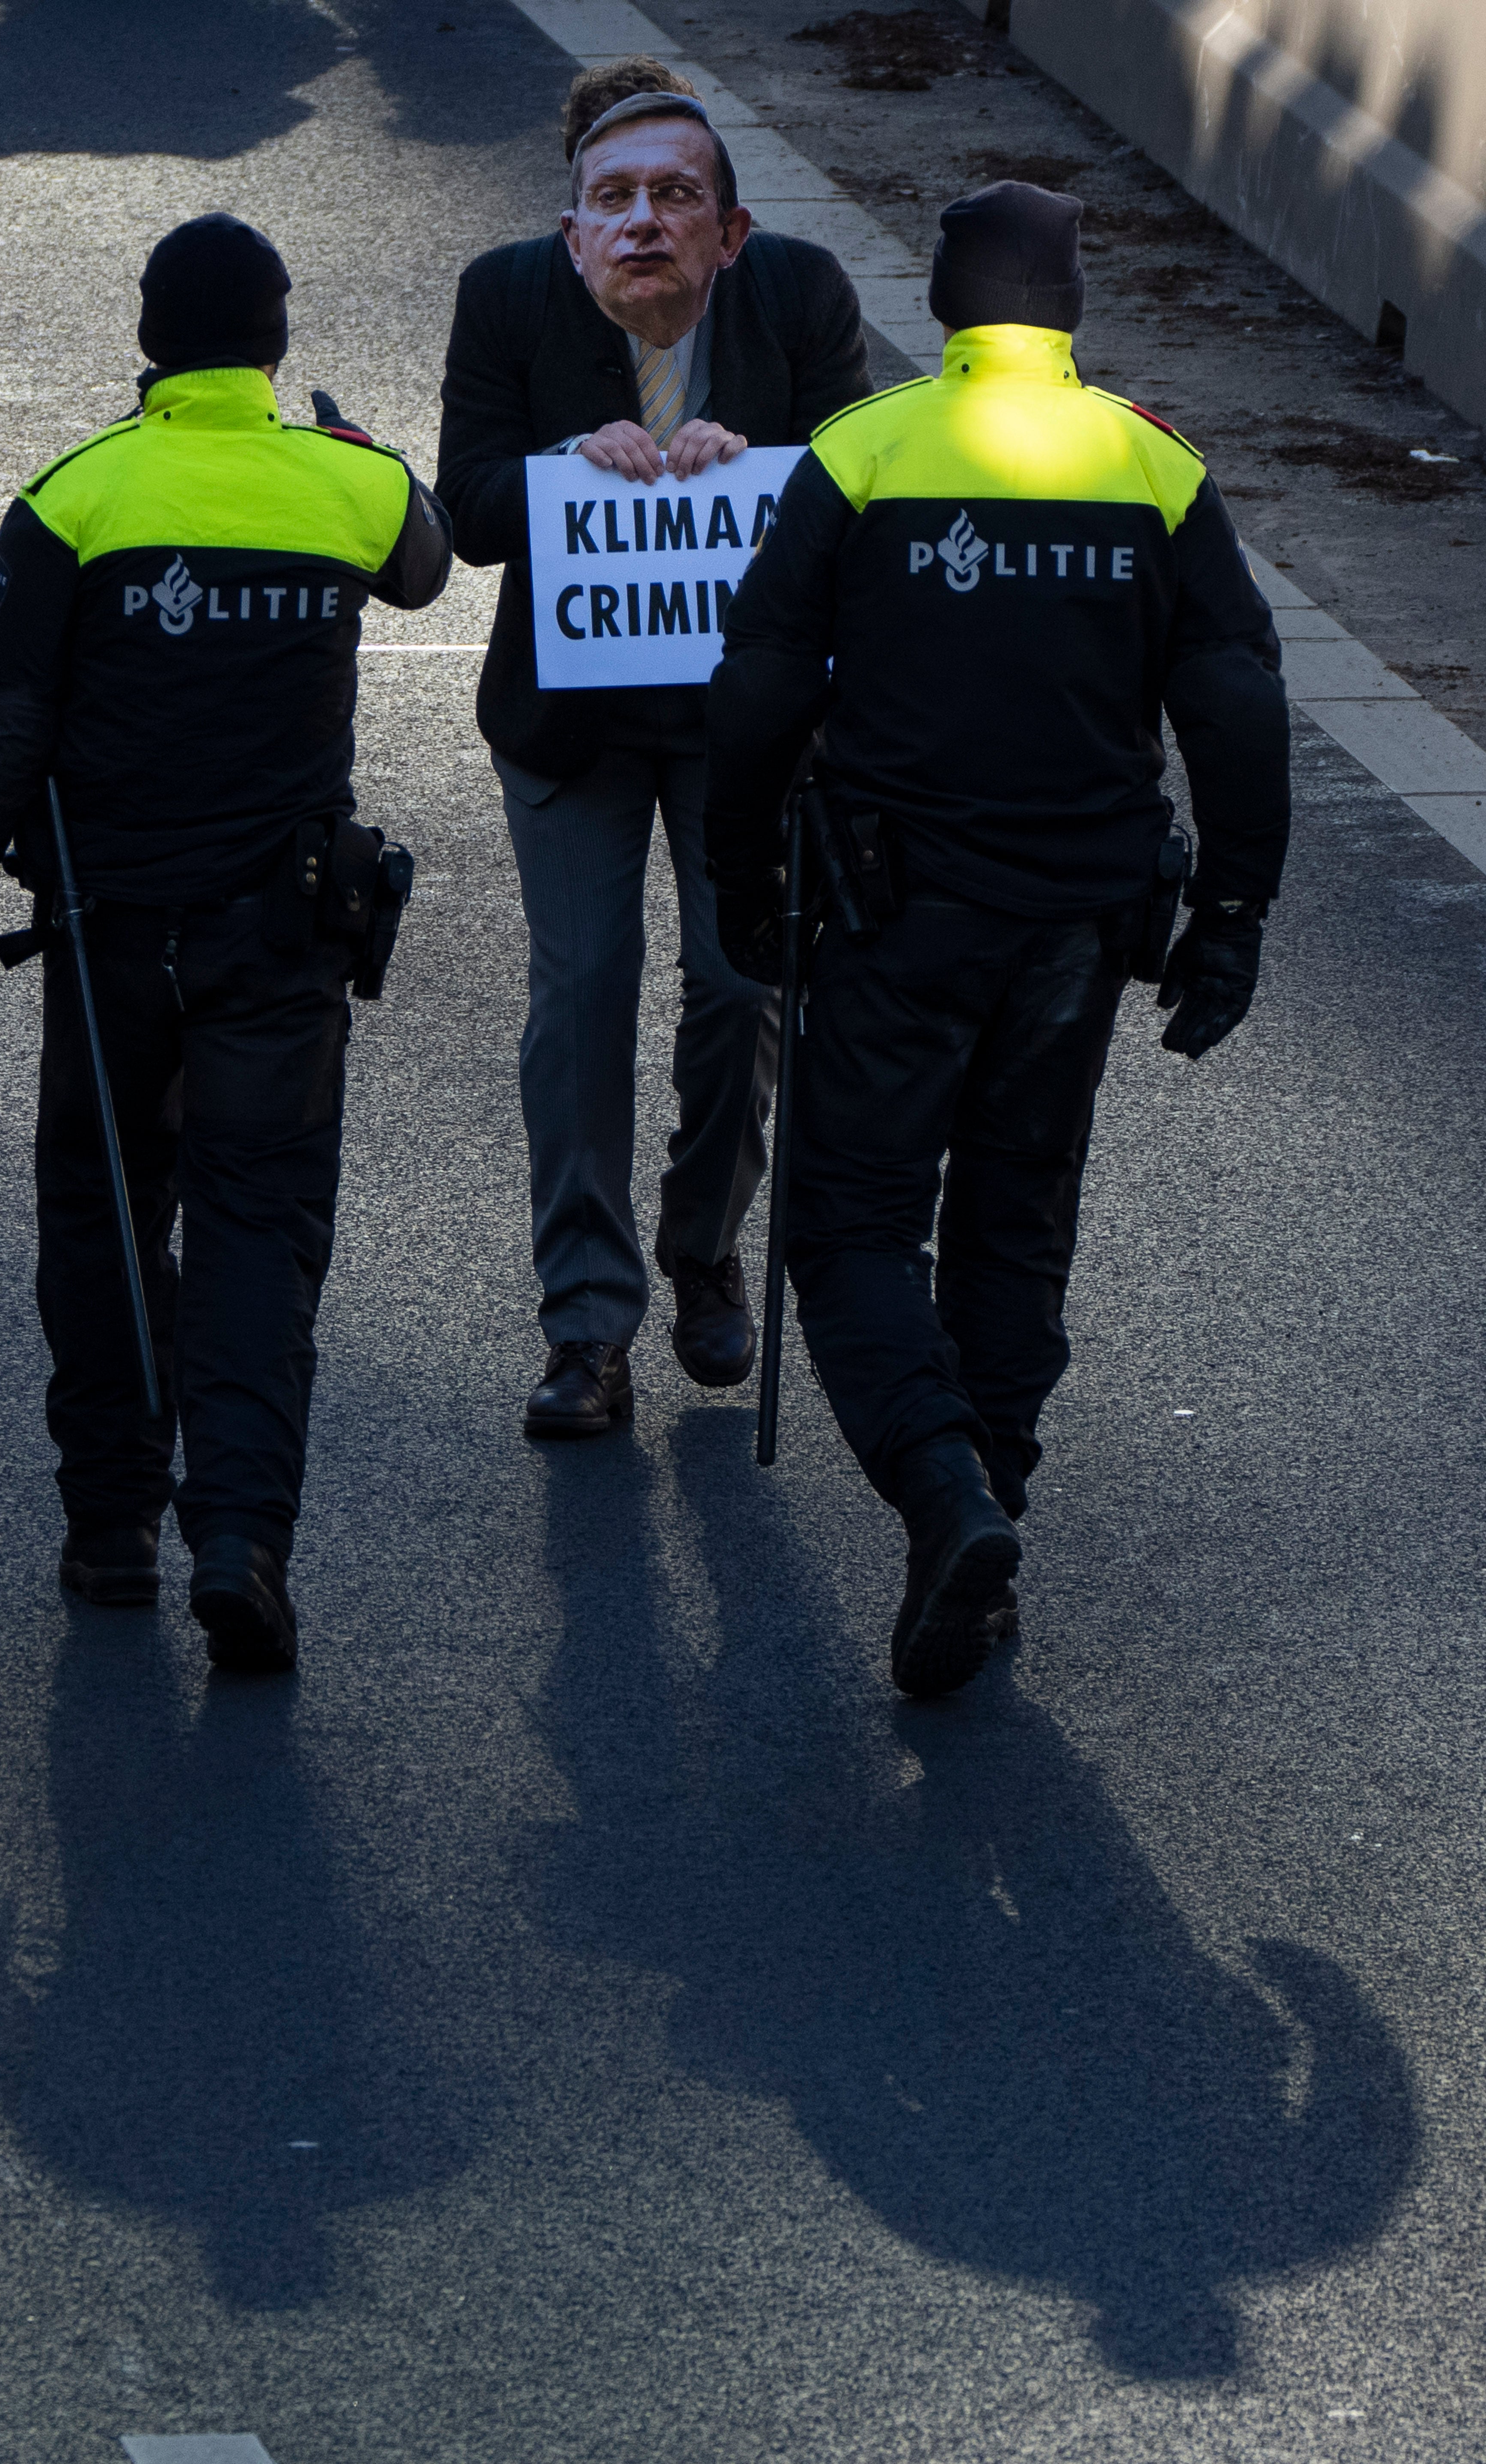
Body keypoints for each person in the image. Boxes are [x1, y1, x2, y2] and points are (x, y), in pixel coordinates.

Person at [703, 183, 1288, 1697]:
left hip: (896, 919)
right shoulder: (1156, 466)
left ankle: (943, 1488)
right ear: (1071, 305)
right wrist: (1231, 917)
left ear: (950, 303)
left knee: (849, 1225)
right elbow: (1232, 703)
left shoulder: (869, 449)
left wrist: (740, 878)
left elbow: (763, 680)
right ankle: (988, 1519)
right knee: (1018, 1220)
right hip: (1082, 929)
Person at [0, 213, 451, 1671]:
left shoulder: (79, 495)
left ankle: (108, 1530)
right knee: (258, 1231)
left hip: (105, 937)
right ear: (276, 342)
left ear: (147, 342)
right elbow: (429, 565)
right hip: (280, 937)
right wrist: (349, 436)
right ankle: (240, 1539)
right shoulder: (347, 485)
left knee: (100, 1214)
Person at [436, 69, 874, 1439]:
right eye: (613, 202)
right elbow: (469, 511)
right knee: (581, 999)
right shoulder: (505, 296)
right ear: (572, 234)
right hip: (574, 721)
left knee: (743, 985)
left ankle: (704, 1242)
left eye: (675, 198)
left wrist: (776, 473)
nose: (643, 224)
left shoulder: (802, 297)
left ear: (728, 233)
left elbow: (852, 506)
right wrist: (573, 460)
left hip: (743, 721)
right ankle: (586, 1322)